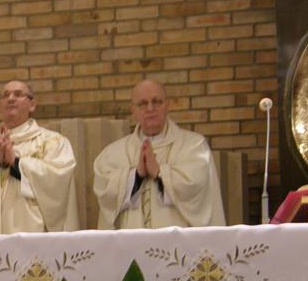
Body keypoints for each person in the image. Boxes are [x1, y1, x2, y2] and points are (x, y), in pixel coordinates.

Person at [93, 79, 225, 229]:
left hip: (177, 241)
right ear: (133, 110)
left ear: (168, 105)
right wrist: (136, 176)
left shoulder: (194, 147)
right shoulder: (114, 153)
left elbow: (196, 189)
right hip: (131, 241)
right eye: (143, 104)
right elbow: (104, 192)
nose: (150, 108)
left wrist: (159, 172)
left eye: (157, 102)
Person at [0, 80, 79, 234]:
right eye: (5, 96)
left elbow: (59, 180)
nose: (11, 98)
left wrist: (16, 163)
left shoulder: (53, 142)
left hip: (30, 233)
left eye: (18, 94)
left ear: (32, 105)